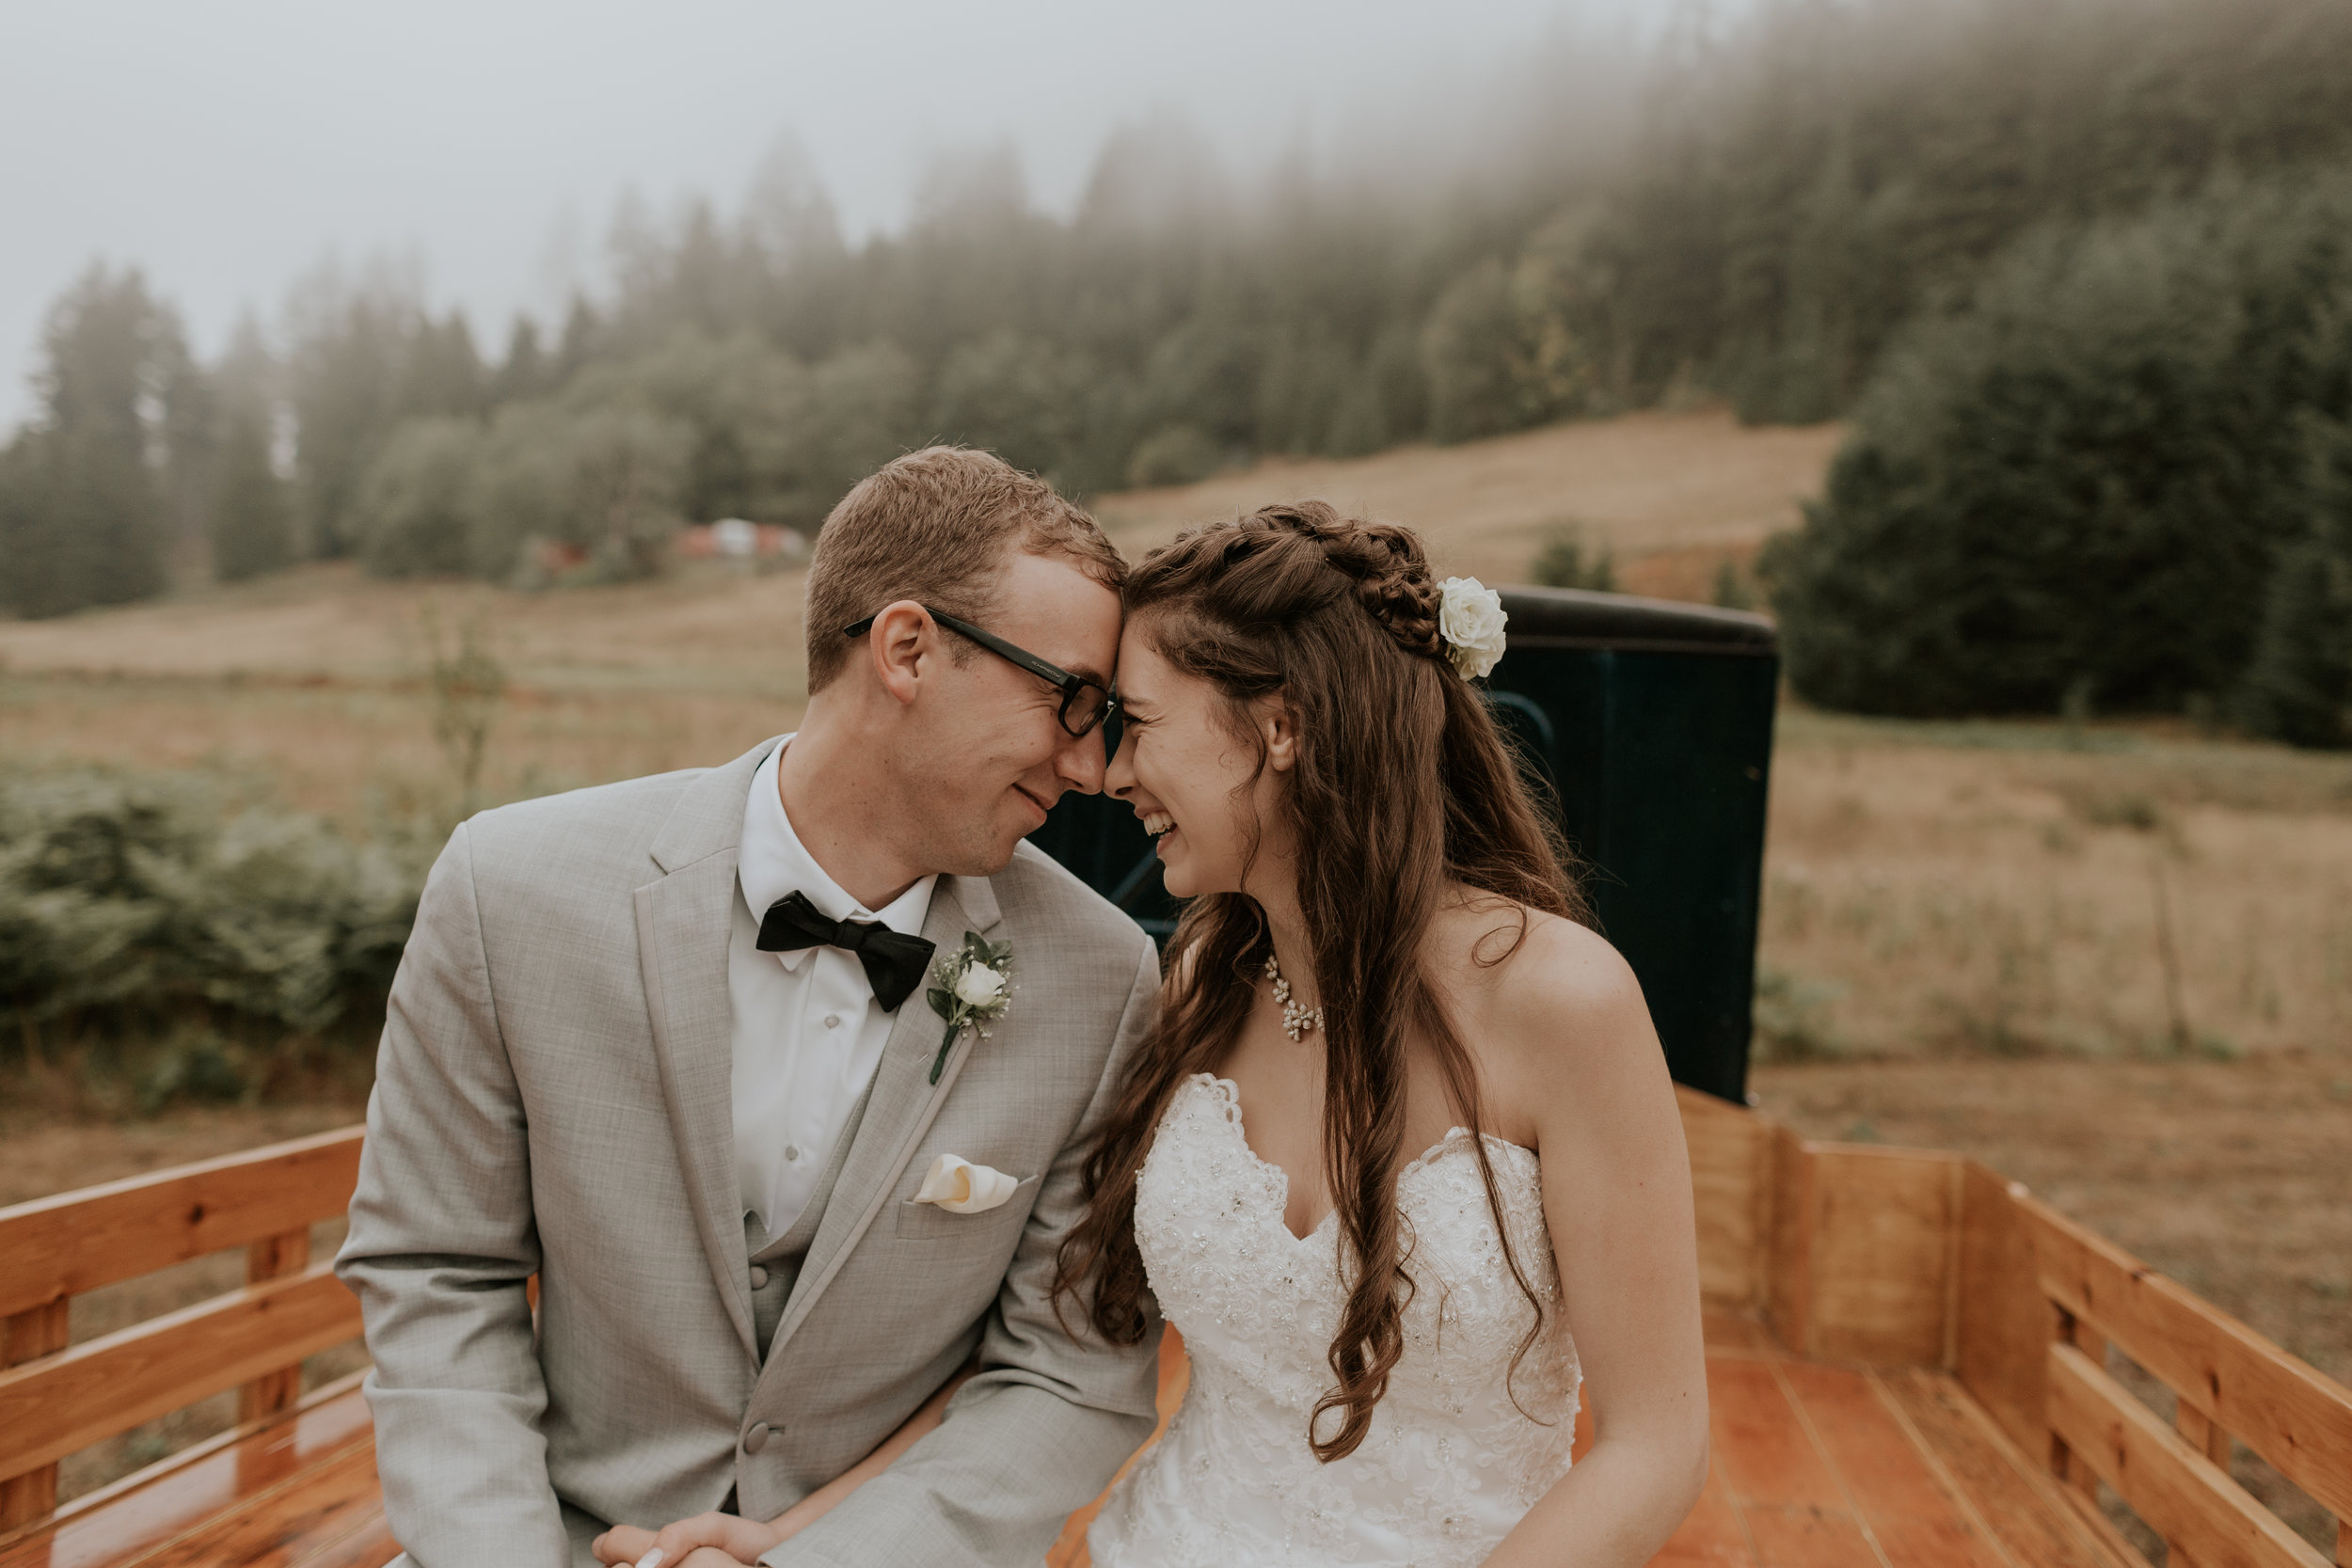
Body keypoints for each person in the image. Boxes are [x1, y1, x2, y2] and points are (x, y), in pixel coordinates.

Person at [337, 447, 1165, 1568]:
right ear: (907, 648)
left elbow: (1068, 1369)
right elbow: (435, 1266)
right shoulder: (508, 889)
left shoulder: (1103, 975)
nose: (1086, 762)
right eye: (1068, 697)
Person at [1060, 501, 1712, 1566]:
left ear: (1280, 726)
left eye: (1139, 721)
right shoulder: (1200, 980)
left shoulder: (1565, 1004)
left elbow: (1656, 1446)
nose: (1115, 771)